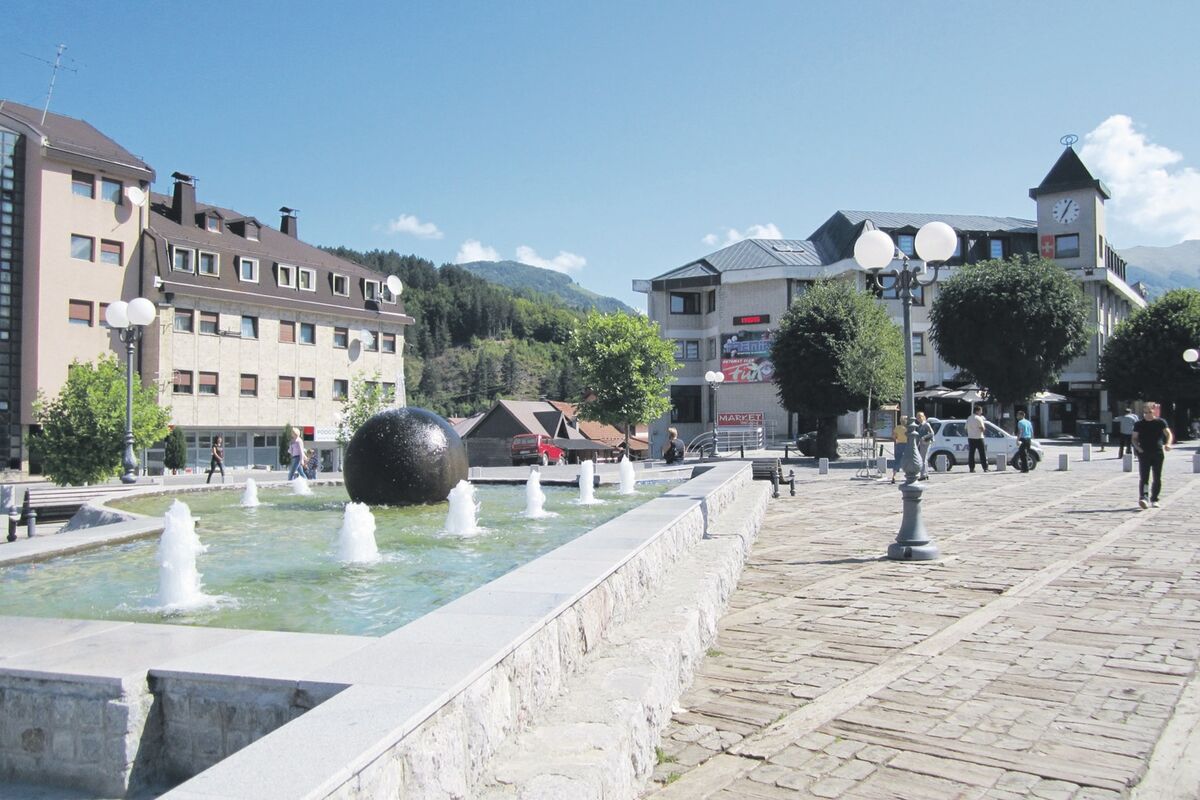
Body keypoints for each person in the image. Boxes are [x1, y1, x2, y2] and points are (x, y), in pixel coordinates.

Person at [1132, 401, 1173, 509]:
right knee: (1144, 477)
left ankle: (1155, 499)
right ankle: (1144, 498)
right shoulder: (1139, 424)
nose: (1147, 415)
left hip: (1157, 452)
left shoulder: (1160, 422)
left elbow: (1168, 434)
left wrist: (1168, 443)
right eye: (1145, 412)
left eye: (1149, 412)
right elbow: (1134, 438)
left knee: (1157, 477)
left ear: (1154, 411)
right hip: (1144, 453)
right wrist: (1138, 448)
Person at [966, 405, 989, 472]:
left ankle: (971, 468)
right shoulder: (979, 418)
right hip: (979, 437)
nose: (981, 412)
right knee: (982, 453)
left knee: (971, 454)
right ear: (977, 411)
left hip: (971, 438)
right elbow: (982, 429)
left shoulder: (969, 418)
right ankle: (985, 468)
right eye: (980, 410)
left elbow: (966, 428)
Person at [915, 412, 934, 480]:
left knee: (923, 458)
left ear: (923, 417)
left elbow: (932, 433)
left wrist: (924, 437)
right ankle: (925, 474)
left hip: (926, 443)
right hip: (921, 443)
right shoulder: (919, 426)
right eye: (918, 417)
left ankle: (923, 475)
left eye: (920, 417)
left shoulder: (926, 424)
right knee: (923, 458)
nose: (919, 418)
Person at [890, 415, 908, 483]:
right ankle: (908, 475)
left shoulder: (897, 428)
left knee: (897, 461)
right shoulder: (908, 428)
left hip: (898, 445)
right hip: (907, 445)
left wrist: (898, 438)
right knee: (907, 461)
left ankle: (894, 476)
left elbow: (894, 437)